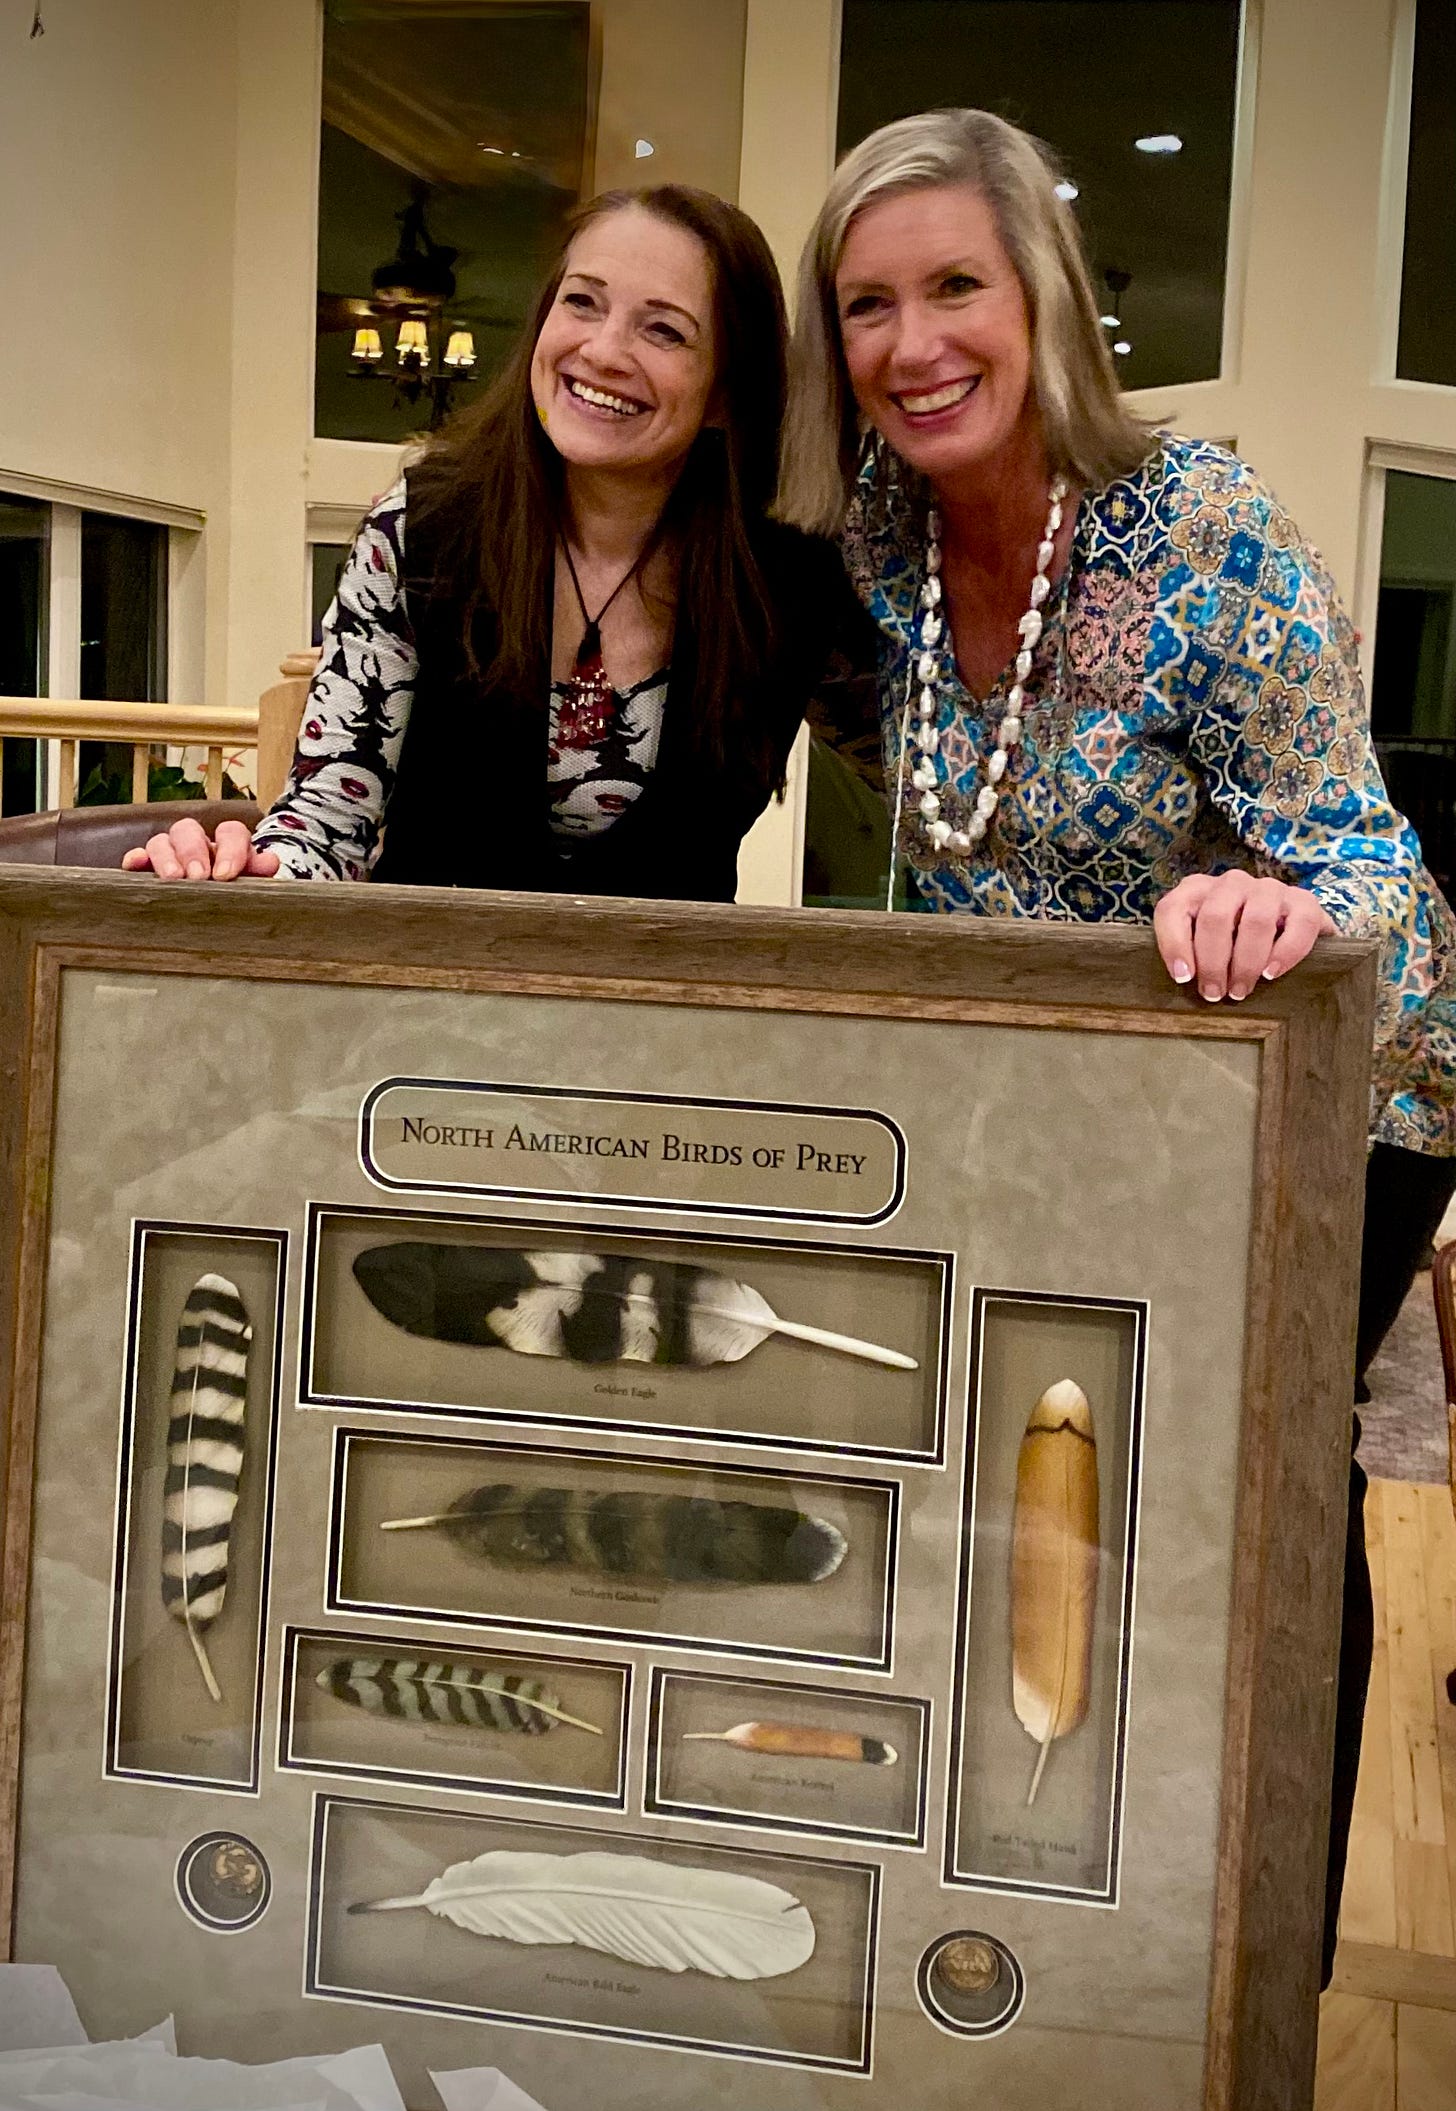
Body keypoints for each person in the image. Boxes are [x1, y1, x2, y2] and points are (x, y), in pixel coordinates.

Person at [777, 106, 1456, 1984]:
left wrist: (1282, 909)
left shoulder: (1203, 525)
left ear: (1043, 295)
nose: (913, 343)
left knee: (1246, 1483)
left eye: (954, 288)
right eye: (866, 304)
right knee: (1025, 1447)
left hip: (1330, 1088)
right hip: (1058, 1091)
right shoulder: (869, 546)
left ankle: (1259, 1964)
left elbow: (1385, 882)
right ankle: (1028, 1900)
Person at [124, 184, 860, 899]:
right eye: (583, 301)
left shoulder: (790, 570)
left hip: (666, 1016)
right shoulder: (422, 527)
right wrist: (240, 873)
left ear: (726, 392)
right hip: (419, 1004)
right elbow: (325, 829)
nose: (603, 350)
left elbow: (925, 787)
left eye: (663, 329)